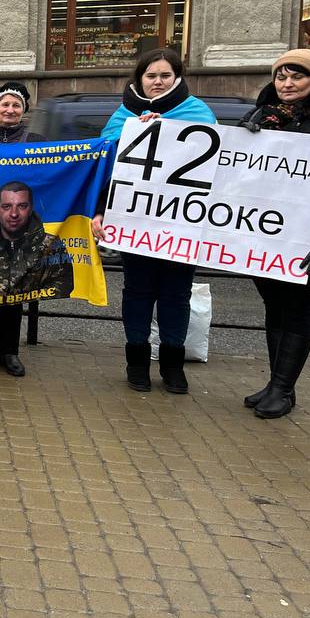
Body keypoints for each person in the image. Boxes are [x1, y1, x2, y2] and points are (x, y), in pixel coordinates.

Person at [92, 48, 215, 394]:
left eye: (164, 75)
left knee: (177, 295)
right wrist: (100, 210)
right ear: (139, 79)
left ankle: (173, 366)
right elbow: (106, 170)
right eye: (151, 76)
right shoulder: (122, 117)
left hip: (181, 224)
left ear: (176, 77)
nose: (157, 82)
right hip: (135, 222)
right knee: (138, 292)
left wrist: (171, 132)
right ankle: (137, 362)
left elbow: (215, 168)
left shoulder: (198, 114)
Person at [237, 49, 310, 419]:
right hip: (265, 232)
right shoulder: (259, 114)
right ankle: (277, 383)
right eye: (281, 77)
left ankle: (283, 389)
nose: (287, 84)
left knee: (299, 309)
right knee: (275, 307)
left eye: (297, 77)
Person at [0, 181, 73, 377]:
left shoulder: (49, 244)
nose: (14, 214)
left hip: (18, 298)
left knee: (14, 303)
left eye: (22, 206)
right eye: (7, 206)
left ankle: (10, 353)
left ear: (31, 207)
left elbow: (64, 280)